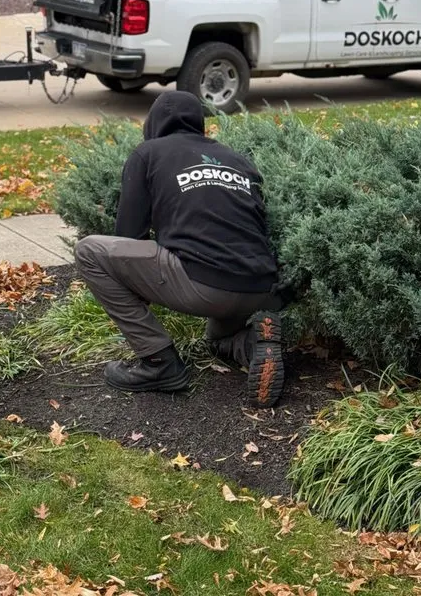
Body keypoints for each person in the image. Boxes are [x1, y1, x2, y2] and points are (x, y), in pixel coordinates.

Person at [75, 90, 284, 407]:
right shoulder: (238, 160)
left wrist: (136, 297)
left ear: (153, 124)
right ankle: (254, 345)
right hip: (258, 289)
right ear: (200, 124)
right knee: (218, 339)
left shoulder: (148, 153)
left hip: (202, 285)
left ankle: (159, 363)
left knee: (90, 251)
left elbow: (129, 238)